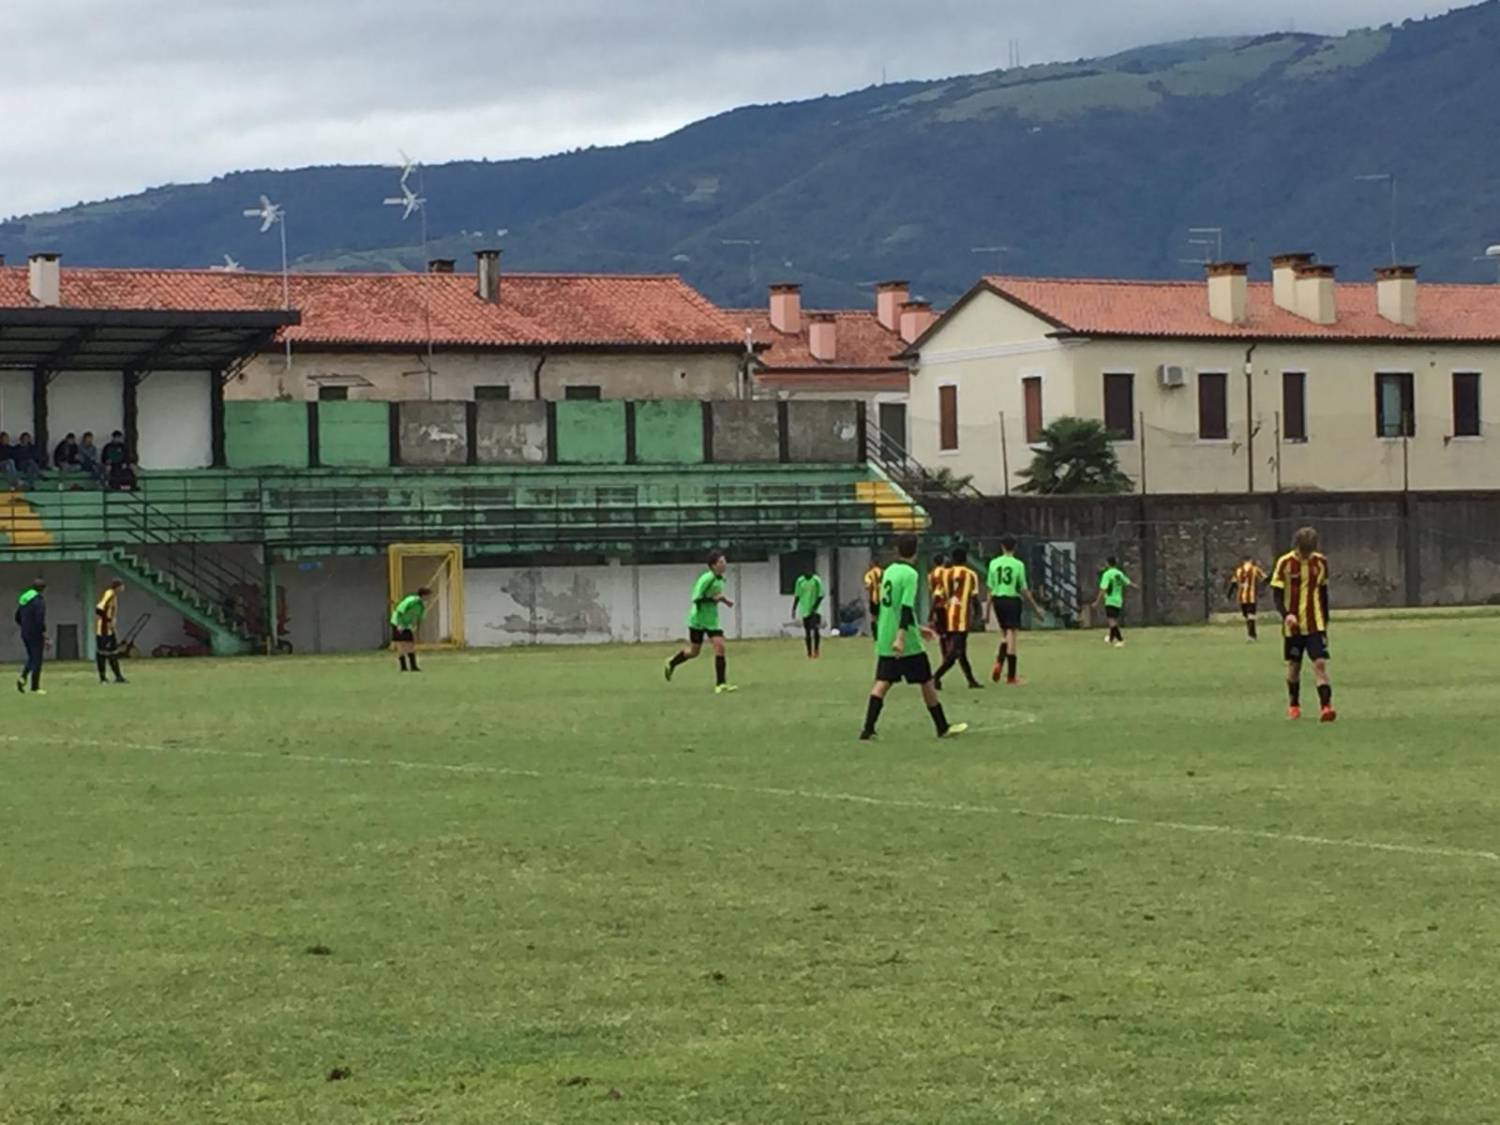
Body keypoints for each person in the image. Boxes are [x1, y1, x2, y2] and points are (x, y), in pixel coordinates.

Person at [860, 535, 967, 741]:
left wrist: (918, 628)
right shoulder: (910, 574)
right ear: (916, 552)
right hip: (905, 641)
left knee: (883, 682)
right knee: (926, 681)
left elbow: (889, 607)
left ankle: (867, 729)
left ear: (897, 550)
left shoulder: (889, 571)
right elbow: (906, 608)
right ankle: (942, 727)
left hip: (885, 635)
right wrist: (903, 637)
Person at [1270, 527, 1336, 722]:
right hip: (1293, 627)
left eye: (1308, 551)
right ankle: (1294, 705)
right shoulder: (1285, 563)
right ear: (1296, 545)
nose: (1305, 555)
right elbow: (1277, 594)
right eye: (1302, 551)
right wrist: (1286, 615)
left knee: (1320, 664)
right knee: (1294, 667)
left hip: (1315, 624)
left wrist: (1325, 620)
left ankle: (1326, 708)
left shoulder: (1321, 562)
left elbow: (1323, 593)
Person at [665, 550, 737, 693]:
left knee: (720, 647)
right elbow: (696, 598)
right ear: (713, 565)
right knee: (693, 651)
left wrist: (724, 600)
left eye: (725, 561)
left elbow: (716, 595)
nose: (724, 564)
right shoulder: (706, 579)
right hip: (697, 619)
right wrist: (714, 599)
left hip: (712, 621)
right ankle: (672, 663)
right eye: (721, 562)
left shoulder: (720, 579)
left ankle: (721, 684)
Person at [987, 536, 1045, 684]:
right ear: (1015, 547)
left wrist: (986, 612)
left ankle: (1000, 661)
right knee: (1012, 636)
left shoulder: (993, 563)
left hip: (998, 600)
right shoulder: (1018, 564)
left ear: (1002, 546)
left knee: (1005, 634)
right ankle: (1011, 676)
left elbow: (990, 588)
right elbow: (1024, 589)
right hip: (1012, 599)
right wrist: (1036, 608)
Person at [932, 546, 983, 690]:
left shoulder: (945, 574)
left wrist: (935, 616)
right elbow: (974, 598)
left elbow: (938, 597)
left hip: (948, 615)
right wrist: (978, 615)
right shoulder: (970, 574)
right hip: (961, 616)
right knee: (956, 651)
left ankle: (971, 681)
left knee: (961, 651)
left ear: (953, 559)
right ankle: (935, 677)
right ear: (966, 559)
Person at [15, 578, 47, 695]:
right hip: (35, 633)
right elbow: (39, 619)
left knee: (32, 657)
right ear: (42, 589)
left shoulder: (24, 598)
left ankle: (22, 678)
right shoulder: (39, 601)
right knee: (37, 659)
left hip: (25, 633)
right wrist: (43, 632)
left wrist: (24, 626)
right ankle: (35, 687)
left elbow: (17, 617)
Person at [1092, 557, 1132, 646]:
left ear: (1107, 563)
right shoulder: (1119, 573)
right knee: (1113, 620)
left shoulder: (1107, 574)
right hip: (1118, 600)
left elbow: (1103, 588)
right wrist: (1136, 587)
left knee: (1111, 621)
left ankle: (1120, 640)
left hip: (1110, 600)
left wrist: (1097, 601)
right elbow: (1128, 582)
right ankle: (1110, 638)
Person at [95, 579, 129, 684]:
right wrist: (108, 621)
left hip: (110, 630)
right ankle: (102, 678)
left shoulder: (114, 596)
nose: (123, 588)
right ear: (118, 587)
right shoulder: (109, 594)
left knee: (113, 652)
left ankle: (118, 676)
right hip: (104, 630)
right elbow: (99, 608)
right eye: (122, 586)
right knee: (102, 653)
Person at [390, 586, 431, 672]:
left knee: (410, 645)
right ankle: (403, 667)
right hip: (398, 622)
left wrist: (417, 632)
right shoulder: (411, 600)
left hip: (407, 625)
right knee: (401, 644)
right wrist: (399, 625)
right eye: (427, 596)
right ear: (423, 595)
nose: (428, 598)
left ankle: (413, 666)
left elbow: (419, 619)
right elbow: (400, 611)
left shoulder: (422, 606)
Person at [1228, 556, 1268, 642]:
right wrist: (1262, 588)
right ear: (1250, 561)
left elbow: (1233, 584)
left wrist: (1229, 595)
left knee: (1248, 616)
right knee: (1251, 616)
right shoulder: (1255, 569)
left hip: (1242, 597)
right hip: (1252, 597)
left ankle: (1251, 635)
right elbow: (1265, 578)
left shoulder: (1238, 570)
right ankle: (1252, 634)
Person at [790, 565, 824, 660]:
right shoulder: (800, 581)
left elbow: (821, 595)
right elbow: (797, 595)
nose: (808, 572)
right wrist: (794, 608)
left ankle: (816, 650)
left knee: (816, 630)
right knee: (807, 632)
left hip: (816, 610)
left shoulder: (816, 580)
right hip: (805, 610)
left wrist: (815, 607)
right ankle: (809, 653)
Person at [927, 553, 950, 658]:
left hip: (937, 604)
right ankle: (949, 654)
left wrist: (931, 612)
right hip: (946, 603)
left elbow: (932, 590)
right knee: (949, 630)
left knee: (942, 632)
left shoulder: (930, 574)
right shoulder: (947, 572)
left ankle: (944, 654)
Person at [863, 559, 884, 641]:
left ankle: (875, 635)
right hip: (883, 597)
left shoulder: (869, 574)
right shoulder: (883, 572)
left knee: (874, 617)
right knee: (882, 617)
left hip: (874, 598)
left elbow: (868, 585)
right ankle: (883, 635)